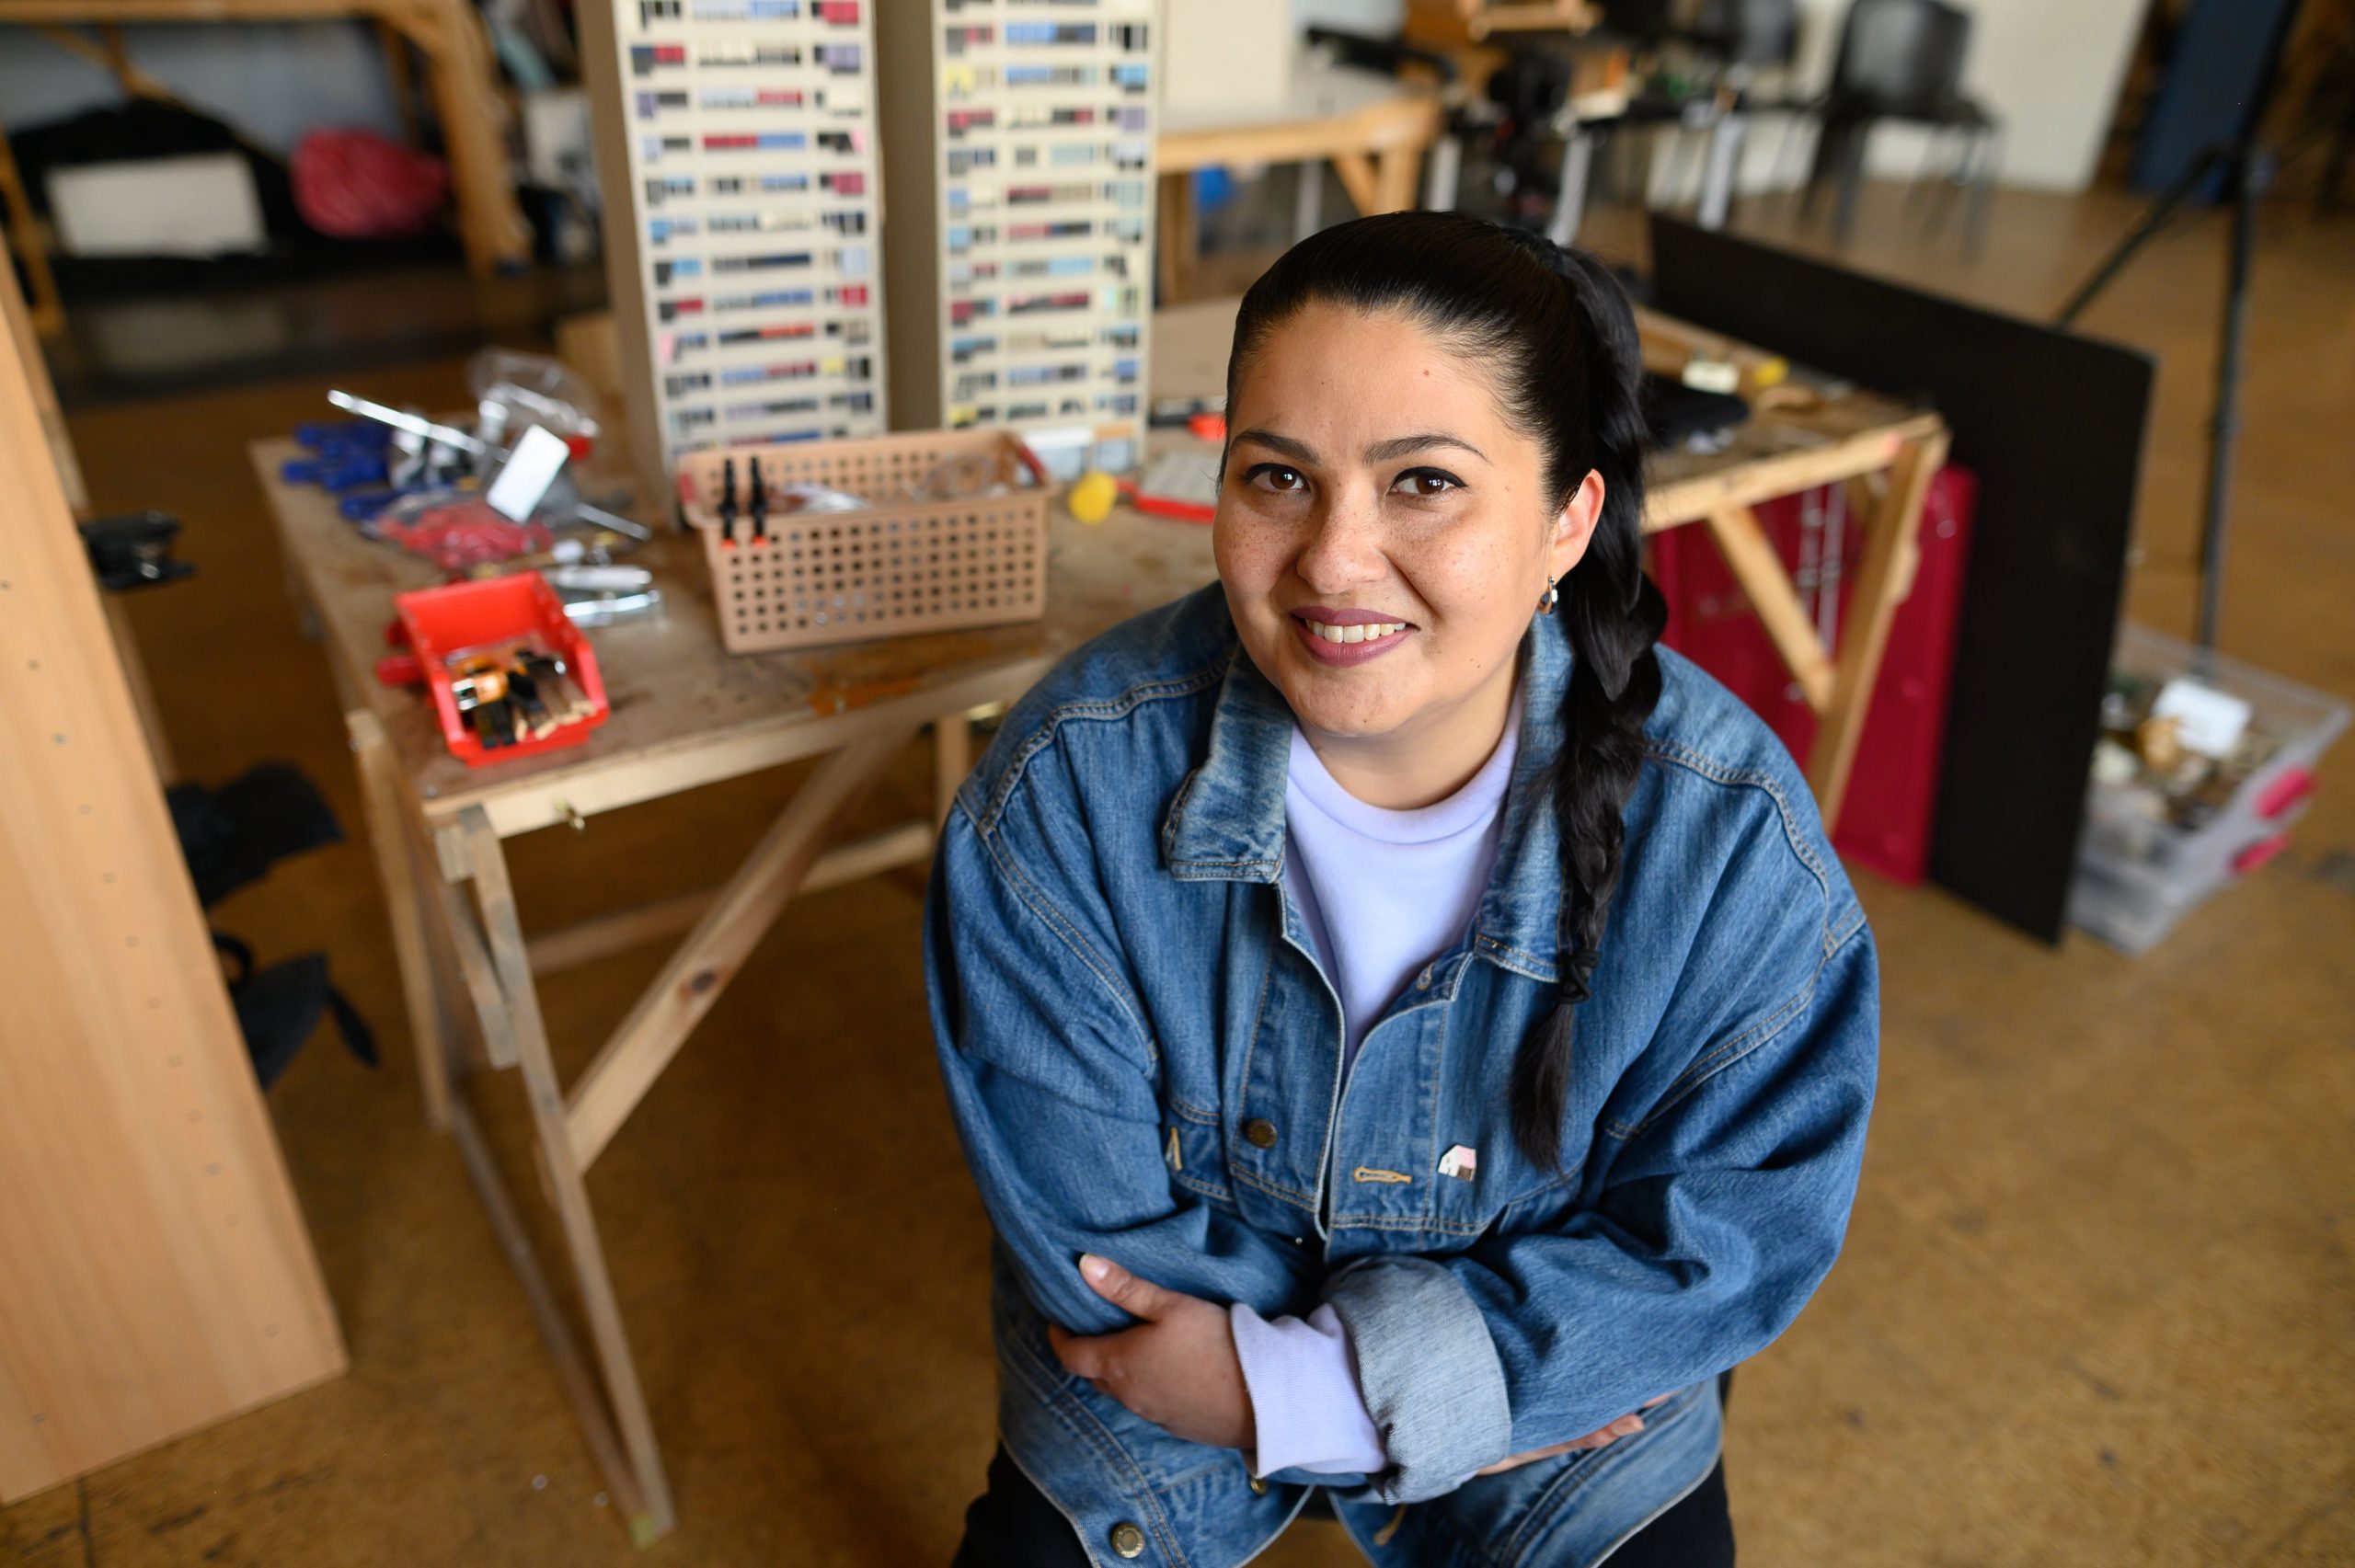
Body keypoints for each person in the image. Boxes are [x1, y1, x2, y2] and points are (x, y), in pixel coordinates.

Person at [925, 211, 1878, 1567]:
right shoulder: (1068, 786)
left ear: (1567, 520)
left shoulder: (1728, 837)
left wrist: (1309, 1390)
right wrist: (1455, 1383)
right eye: (1277, 478)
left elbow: (1729, 1236)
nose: (1332, 560)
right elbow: (1096, 1244)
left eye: (1423, 482)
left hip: (1527, 1397)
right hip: (1173, 1384)